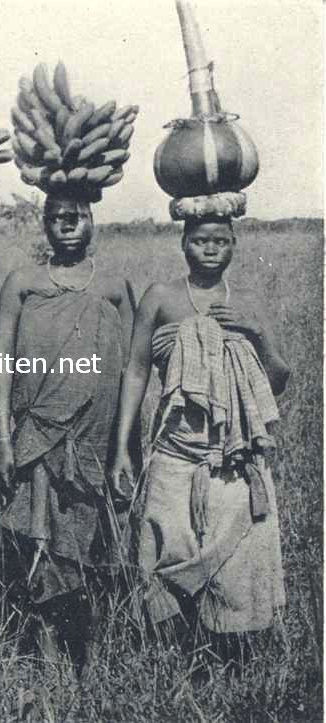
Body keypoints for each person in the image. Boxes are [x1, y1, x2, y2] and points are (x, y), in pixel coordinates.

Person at [110, 216, 288, 656]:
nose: (211, 249)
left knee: (236, 562)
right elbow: (134, 371)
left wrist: (256, 331)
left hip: (234, 460)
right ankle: (173, 659)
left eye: (221, 241)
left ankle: (233, 659)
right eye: (200, 241)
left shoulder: (247, 301)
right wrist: (121, 450)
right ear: (183, 244)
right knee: (168, 551)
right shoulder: (161, 298)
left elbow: (279, 378)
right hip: (174, 454)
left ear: (234, 245)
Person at [0, 191, 136, 672]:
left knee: (89, 555)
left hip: (93, 441)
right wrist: (5, 438)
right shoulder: (23, 284)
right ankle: (48, 661)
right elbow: (2, 365)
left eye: (77, 216)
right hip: (37, 438)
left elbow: (133, 374)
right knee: (40, 550)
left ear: (93, 218)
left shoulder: (114, 287)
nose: (68, 224)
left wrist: (124, 451)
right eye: (57, 218)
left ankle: (89, 663)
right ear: (45, 225)